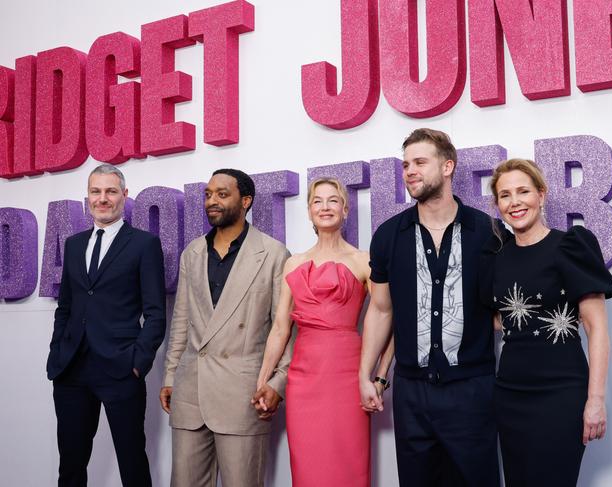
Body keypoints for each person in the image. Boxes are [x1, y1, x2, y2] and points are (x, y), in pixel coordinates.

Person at [359, 129, 502, 487]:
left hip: (472, 388)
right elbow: (380, 310)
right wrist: (367, 375)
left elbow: (504, 308)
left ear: (448, 166)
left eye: (420, 162)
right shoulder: (389, 235)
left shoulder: (489, 232)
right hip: (411, 393)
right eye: (406, 164)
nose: (410, 171)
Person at [485, 158, 612, 486]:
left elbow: (596, 327)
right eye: (505, 195)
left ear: (541, 195)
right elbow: (503, 321)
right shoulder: (497, 259)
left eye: (523, 191)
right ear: (498, 204)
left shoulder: (570, 246)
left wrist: (596, 400)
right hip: (510, 396)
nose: (514, 202)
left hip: (562, 396)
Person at [254, 178, 392, 487]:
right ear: (308, 210)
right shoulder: (293, 263)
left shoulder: (363, 260)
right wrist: (263, 380)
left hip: (348, 376)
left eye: (333, 201)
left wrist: (380, 376)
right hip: (303, 379)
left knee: (348, 463)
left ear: (345, 210)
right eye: (318, 201)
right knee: (307, 469)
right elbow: (280, 328)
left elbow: (389, 318)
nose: (325, 207)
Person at [160, 168, 291, 487]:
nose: (211, 201)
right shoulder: (192, 252)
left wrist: (278, 382)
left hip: (244, 392)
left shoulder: (273, 254)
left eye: (221, 194)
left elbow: (284, 328)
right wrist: (170, 375)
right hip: (191, 390)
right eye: (207, 195)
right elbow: (181, 321)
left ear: (245, 201)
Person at [46, 164, 166, 487]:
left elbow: (156, 314)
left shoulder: (143, 244)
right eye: (96, 192)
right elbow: (66, 307)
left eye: (111, 191)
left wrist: (138, 364)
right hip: (71, 370)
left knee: (132, 465)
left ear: (125, 196)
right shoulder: (73, 244)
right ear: (87, 197)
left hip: (121, 370)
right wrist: (56, 352)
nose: (103, 199)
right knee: (70, 466)